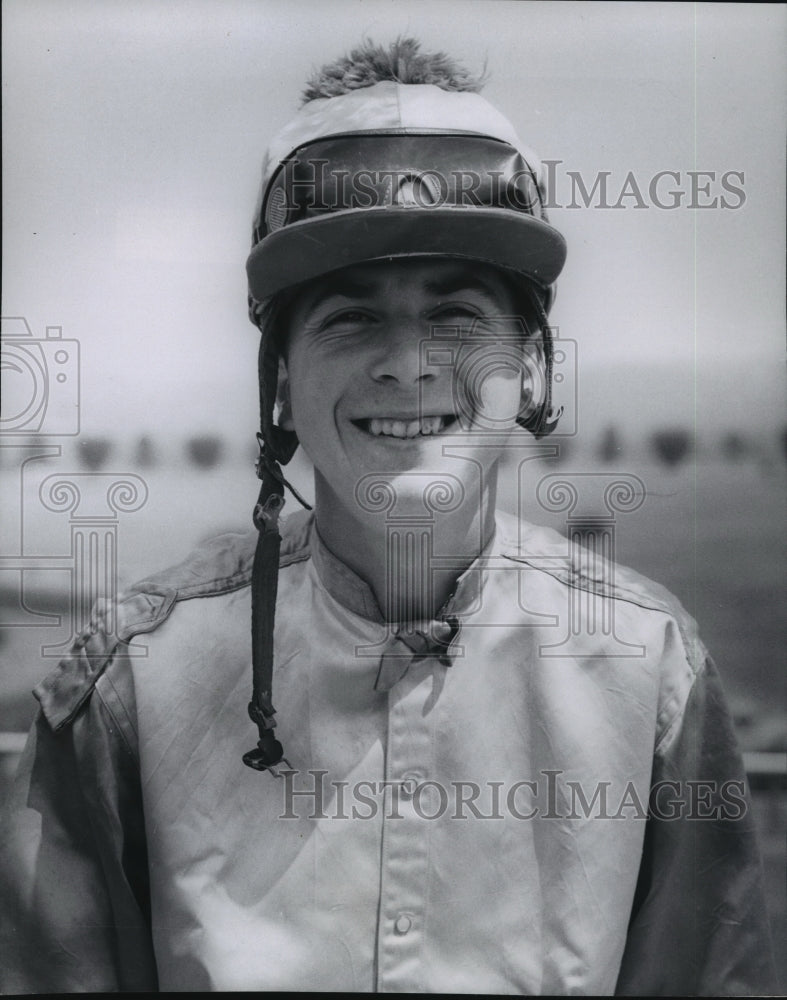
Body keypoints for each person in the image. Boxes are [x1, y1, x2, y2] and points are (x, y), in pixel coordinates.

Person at [0, 38, 776, 995]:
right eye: (350, 317)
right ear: (279, 383)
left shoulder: (652, 673)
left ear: (530, 367)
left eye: (455, 314)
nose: (407, 362)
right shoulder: (128, 683)